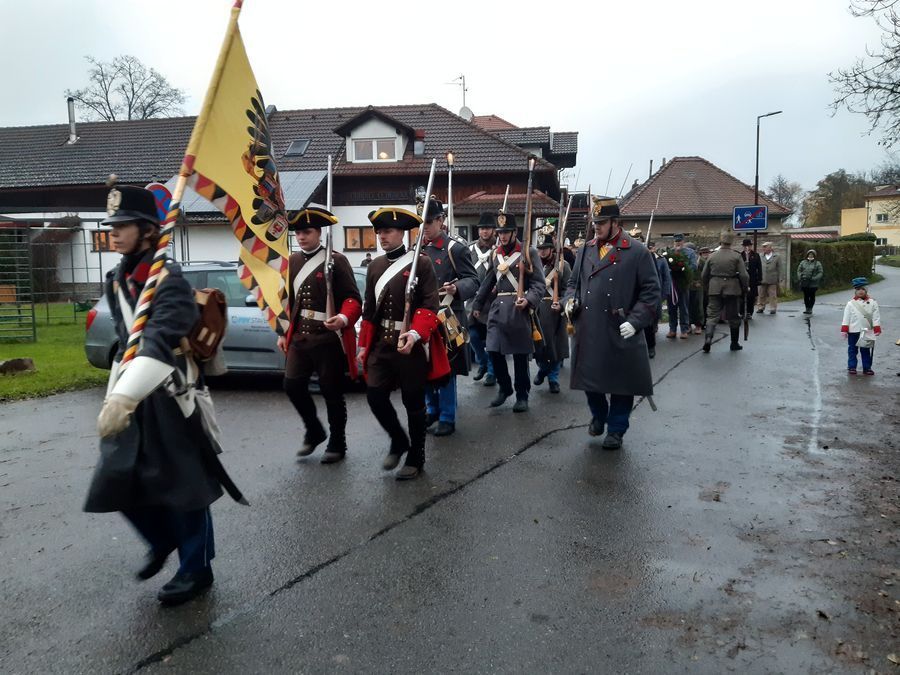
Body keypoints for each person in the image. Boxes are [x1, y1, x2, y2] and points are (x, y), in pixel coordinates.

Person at [85, 182, 244, 606]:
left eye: (124, 226)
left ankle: (196, 569)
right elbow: (127, 342)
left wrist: (125, 396)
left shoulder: (168, 280)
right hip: (133, 389)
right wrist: (117, 394)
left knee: (186, 487)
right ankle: (162, 539)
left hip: (171, 393)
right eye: (112, 226)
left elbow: (159, 337)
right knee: (114, 475)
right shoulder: (117, 279)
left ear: (149, 230)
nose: (114, 233)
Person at [564, 196, 660, 450]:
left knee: (621, 383)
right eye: (595, 222)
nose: (596, 227)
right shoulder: (585, 249)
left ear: (616, 222)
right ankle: (598, 415)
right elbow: (573, 284)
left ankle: (616, 429)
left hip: (620, 326)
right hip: (589, 326)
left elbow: (651, 292)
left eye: (602, 222)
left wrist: (636, 321)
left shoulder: (637, 251)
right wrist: (569, 301)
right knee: (589, 378)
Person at [357, 207, 446, 480]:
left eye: (388, 231)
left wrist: (416, 333)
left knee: (413, 402)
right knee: (375, 395)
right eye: (379, 232)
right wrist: (363, 345)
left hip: (411, 343)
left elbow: (430, 304)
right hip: (382, 344)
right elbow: (369, 310)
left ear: (402, 233)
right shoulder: (374, 266)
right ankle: (398, 439)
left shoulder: (422, 263)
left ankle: (416, 457)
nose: (382, 236)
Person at [278, 207, 362, 463]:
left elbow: (352, 298)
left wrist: (344, 318)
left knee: (331, 392)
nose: (301, 237)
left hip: (327, 337)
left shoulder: (336, 260)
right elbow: (287, 301)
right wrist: (282, 331)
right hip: (300, 337)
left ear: (319, 233)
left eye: (307, 232)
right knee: (292, 385)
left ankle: (337, 443)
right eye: (298, 233)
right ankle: (314, 430)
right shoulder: (292, 262)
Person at [472, 210, 546, 413]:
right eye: (500, 232)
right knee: (493, 349)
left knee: (520, 356)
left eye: (506, 232)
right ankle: (505, 388)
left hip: (518, 308)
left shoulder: (528, 252)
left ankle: (522, 395)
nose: (502, 236)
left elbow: (539, 284)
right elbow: (488, 281)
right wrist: (477, 305)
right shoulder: (495, 254)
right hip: (497, 309)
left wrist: (529, 300)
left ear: (515, 232)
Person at [420, 198, 479, 436]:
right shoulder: (417, 249)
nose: (425, 227)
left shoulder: (455, 249)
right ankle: (431, 409)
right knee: (424, 365)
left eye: (429, 222)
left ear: (441, 220)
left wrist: (457, 288)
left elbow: (473, 280)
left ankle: (447, 416)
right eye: (422, 222)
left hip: (448, 316)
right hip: (423, 316)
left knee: (447, 368)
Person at [533, 229, 571, 393]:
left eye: (545, 249)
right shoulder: (533, 265)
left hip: (554, 310)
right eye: (540, 249)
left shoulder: (563, 265)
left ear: (551, 249)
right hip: (536, 310)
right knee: (539, 347)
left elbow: (569, 289)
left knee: (555, 348)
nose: (542, 252)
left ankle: (553, 379)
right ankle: (543, 369)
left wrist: (561, 303)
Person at [701, 231, 750, 353]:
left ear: (720, 241)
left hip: (714, 288)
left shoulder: (712, 256)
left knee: (712, 315)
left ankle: (708, 339)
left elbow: (704, 275)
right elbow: (744, 275)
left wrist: (707, 287)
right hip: (732, 289)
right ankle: (734, 343)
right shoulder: (736, 256)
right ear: (731, 242)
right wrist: (745, 287)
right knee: (733, 316)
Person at [468, 212, 497, 386]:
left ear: (493, 230)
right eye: (482, 228)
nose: (484, 231)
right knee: (472, 335)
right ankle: (483, 361)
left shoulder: (499, 249)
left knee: (492, 338)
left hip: (492, 300)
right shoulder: (470, 249)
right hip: (473, 299)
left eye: (487, 228)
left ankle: (492, 371)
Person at [841, 277, 882, 375]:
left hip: (867, 330)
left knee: (865, 350)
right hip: (853, 330)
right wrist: (844, 329)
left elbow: (876, 316)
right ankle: (852, 367)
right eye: (858, 289)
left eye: (863, 289)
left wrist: (876, 328)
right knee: (852, 350)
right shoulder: (850, 304)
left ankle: (867, 368)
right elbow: (846, 317)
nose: (860, 291)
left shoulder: (873, 302)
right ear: (855, 290)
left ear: (866, 290)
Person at [644, 241, 671, 359]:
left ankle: (651, 346)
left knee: (650, 320)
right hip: (635, 291)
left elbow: (659, 277)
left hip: (649, 292)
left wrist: (663, 293)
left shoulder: (655, 258)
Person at [665, 234, 693, 339]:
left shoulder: (689, 252)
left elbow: (693, 266)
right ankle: (672, 329)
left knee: (683, 307)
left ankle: (684, 330)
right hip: (672, 284)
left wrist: (683, 269)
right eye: (676, 241)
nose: (678, 243)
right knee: (671, 307)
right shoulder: (669, 253)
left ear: (683, 241)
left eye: (680, 241)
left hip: (683, 283)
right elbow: (665, 266)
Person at [756, 241, 782, 314]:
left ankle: (773, 308)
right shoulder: (760, 256)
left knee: (772, 294)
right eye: (763, 247)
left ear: (770, 248)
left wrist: (780, 278)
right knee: (761, 294)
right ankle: (760, 307)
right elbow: (757, 267)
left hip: (772, 278)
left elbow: (780, 268)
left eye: (765, 247)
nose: (763, 248)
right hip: (762, 278)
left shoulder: (777, 256)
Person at [797, 249, 824, 315]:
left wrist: (815, 278)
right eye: (809, 254)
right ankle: (807, 308)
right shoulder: (803, 262)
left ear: (814, 255)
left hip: (813, 284)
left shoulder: (817, 263)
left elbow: (820, 272)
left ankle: (810, 308)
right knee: (806, 296)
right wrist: (800, 277)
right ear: (807, 255)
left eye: (812, 254)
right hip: (804, 282)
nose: (810, 256)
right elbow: (799, 270)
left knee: (812, 296)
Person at [740, 238, 762, 319]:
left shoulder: (755, 255)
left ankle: (749, 312)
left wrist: (759, 279)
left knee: (751, 297)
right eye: (745, 246)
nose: (747, 247)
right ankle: (742, 312)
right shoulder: (740, 255)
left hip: (752, 279)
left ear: (751, 246)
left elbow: (759, 268)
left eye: (748, 246)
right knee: (742, 296)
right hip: (742, 279)